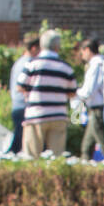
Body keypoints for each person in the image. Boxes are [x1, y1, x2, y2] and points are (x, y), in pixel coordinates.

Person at [18, 28, 77, 157]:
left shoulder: (32, 64)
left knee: (32, 156)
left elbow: (20, 86)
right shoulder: (66, 67)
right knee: (57, 157)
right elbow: (72, 92)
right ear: (58, 47)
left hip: (36, 114)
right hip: (58, 114)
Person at [6, 38, 40, 154]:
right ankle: (8, 158)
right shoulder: (29, 64)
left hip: (17, 105)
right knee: (21, 139)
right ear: (34, 48)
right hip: (24, 106)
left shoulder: (19, 62)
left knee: (21, 138)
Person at [76, 38, 104, 159]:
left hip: (97, 109)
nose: (82, 55)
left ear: (88, 50)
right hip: (95, 109)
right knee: (87, 146)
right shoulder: (100, 63)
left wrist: (75, 93)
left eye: (82, 52)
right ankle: (85, 166)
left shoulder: (96, 65)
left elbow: (89, 90)